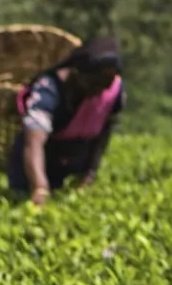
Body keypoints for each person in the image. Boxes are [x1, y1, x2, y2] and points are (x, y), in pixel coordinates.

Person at [10, 36, 125, 208]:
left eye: (105, 84)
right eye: (94, 83)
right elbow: (33, 142)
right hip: (36, 165)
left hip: (72, 162)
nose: (98, 91)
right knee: (22, 203)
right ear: (77, 74)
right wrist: (40, 187)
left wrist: (90, 173)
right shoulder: (49, 88)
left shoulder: (113, 90)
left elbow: (104, 130)